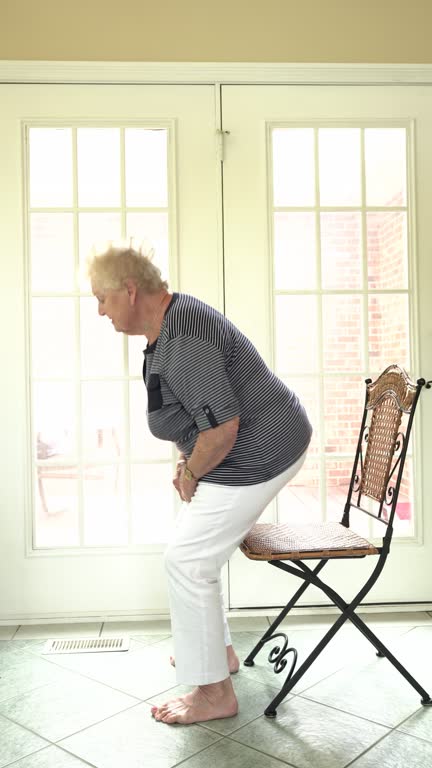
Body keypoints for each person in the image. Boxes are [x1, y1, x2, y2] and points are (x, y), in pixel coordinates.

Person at [88, 244, 312, 726]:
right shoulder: (168, 325)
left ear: (129, 290)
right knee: (193, 556)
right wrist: (190, 461)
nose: (100, 311)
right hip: (246, 443)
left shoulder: (183, 334)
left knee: (186, 559)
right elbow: (196, 414)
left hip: (260, 446)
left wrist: (193, 470)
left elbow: (223, 427)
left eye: (102, 298)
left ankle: (214, 693)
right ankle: (219, 657)